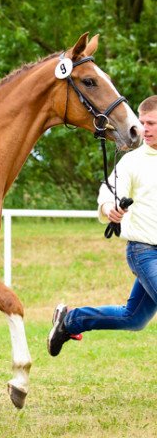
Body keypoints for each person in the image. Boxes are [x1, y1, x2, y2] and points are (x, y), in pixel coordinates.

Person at [48, 95, 157, 357]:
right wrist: (110, 209)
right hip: (144, 252)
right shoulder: (133, 161)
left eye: (152, 123)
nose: (145, 129)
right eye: (143, 123)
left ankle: (71, 321)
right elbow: (108, 192)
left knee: (133, 318)